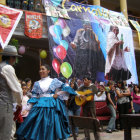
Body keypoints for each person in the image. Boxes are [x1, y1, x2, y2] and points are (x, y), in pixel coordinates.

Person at [17, 64, 83, 140]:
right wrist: (27, 109)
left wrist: (77, 94)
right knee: (38, 128)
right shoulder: (36, 83)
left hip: (51, 107)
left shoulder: (54, 81)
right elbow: (34, 97)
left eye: (43, 69)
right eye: (40, 69)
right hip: (39, 107)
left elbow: (66, 87)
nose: (41, 71)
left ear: (48, 71)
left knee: (51, 128)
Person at [0, 45, 23, 140]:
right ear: (11, 57)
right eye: (15, 58)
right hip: (5, 104)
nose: (15, 61)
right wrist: (19, 103)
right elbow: (17, 89)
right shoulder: (7, 68)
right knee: (5, 134)